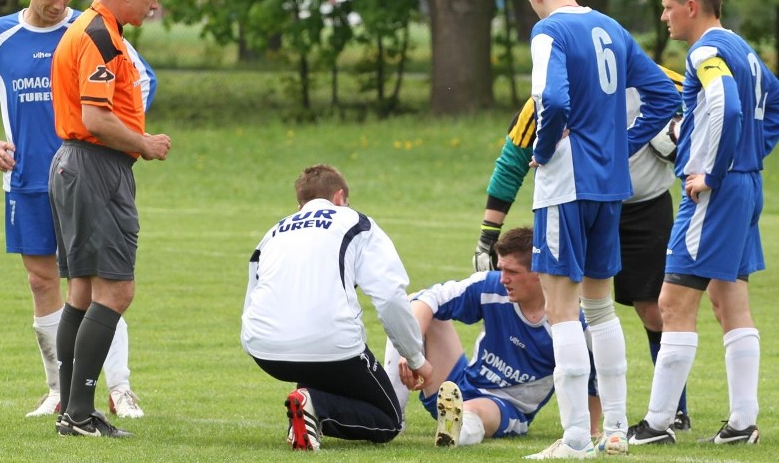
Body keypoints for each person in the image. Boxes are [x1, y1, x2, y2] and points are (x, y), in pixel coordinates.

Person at [0, 0, 147, 420]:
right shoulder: (0, 34)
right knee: (44, 282)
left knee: (102, 281)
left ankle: (119, 389)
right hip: (26, 181)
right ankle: (59, 391)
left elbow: (142, 78)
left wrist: (122, 133)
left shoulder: (89, 31)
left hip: (86, 175)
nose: (59, 5)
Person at [521, 0, 680, 459]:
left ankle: (573, 438)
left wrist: (542, 152)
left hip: (565, 186)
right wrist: (622, 142)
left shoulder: (548, 33)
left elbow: (554, 101)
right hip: (611, 188)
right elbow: (663, 95)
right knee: (601, 308)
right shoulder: (611, 27)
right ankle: (613, 430)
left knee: (561, 311)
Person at [472, 66, 692, 434]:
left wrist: (680, 129)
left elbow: (712, 101)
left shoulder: (649, 75)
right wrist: (487, 234)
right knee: (570, 306)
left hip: (644, 204)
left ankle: (671, 412)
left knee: (655, 309)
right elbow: (512, 162)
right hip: (580, 202)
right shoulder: (551, 92)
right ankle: (585, 425)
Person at [628, 0, 779, 447]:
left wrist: (711, 171)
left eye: (668, 7)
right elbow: (773, 104)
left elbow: (726, 106)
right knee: (728, 301)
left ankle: (656, 425)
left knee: (672, 303)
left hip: (718, 192)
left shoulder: (707, 51)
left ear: (691, 7)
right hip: (746, 186)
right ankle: (741, 424)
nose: (664, 16)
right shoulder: (744, 49)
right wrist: (751, 154)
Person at [50, 0, 171, 438]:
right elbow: (97, 118)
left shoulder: (83, 31)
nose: (155, 6)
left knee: (81, 290)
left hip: (73, 163)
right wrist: (145, 143)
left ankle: (71, 410)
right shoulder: (100, 37)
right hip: (96, 167)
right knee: (116, 290)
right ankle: (79, 413)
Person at [241, 164, 433, 451]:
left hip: (264, 350)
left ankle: (304, 412)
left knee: (316, 359)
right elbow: (390, 296)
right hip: (331, 345)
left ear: (299, 204)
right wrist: (416, 358)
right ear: (341, 197)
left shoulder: (272, 233)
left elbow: (254, 297)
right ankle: (316, 407)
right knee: (388, 419)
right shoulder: (355, 221)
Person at [385, 227, 600, 449]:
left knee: (473, 411)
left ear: (539, 272)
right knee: (411, 307)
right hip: (459, 385)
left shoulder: (569, 324)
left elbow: (594, 376)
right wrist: (411, 353)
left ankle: (457, 429)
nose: (503, 279)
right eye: (501, 269)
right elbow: (428, 299)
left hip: (504, 407)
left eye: (512, 272)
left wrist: (592, 429)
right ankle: (392, 415)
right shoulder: (492, 286)